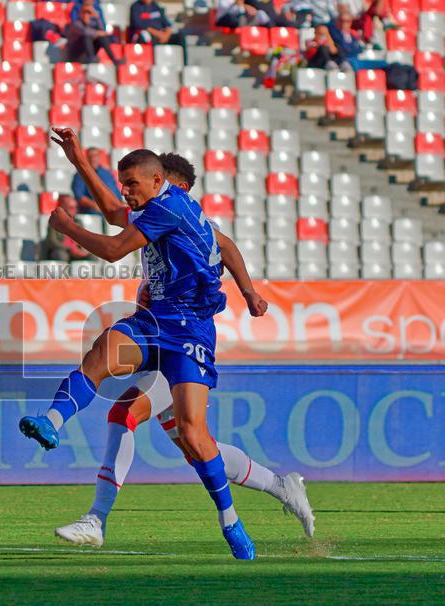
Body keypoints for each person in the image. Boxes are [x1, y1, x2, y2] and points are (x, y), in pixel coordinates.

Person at [52, 152, 315, 548]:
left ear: (175, 187)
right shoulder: (153, 215)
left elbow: (226, 246)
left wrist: (248, 292)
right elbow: (112, 211)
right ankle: (281, 486)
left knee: (128, 414)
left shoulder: (186, 217)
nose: (139, 197)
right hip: (157, 332)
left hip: (180, 338)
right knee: (197, 446)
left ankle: (96, 519)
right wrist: (79, 160)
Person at [19, 130, 256, 559]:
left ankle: (230, 520)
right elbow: (115, 212)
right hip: (154, 318)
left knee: (192, 433)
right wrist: (78, 160)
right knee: (99, 357)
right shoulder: (157, 206)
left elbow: (113, 249)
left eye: (131, 184)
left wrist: (69, 228)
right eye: (123, 183)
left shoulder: (171, 208)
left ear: (158, 181)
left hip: (190, 331)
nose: (126, 192)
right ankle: (51, 421)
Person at [38, 195, 94, 262]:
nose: (74, 210)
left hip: (75, 250)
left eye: (76, 207)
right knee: (62, 255)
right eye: (71, 208)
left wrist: (81, 250)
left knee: (92, 255)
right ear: (63, 208)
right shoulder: (55, 221)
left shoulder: (78, 222)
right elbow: (52, 241)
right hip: (61, 250)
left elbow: (82, 239)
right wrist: (68, 249)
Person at [71, 148, 122, 215]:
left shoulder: (107, 174)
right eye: (90, 156)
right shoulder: (80, 175)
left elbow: (117, 194)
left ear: (99, 157)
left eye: (95, 155)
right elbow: (79, 197)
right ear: (86, 158)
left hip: (113, 210)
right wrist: (95, 205)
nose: (93, 158)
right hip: (93, 212)